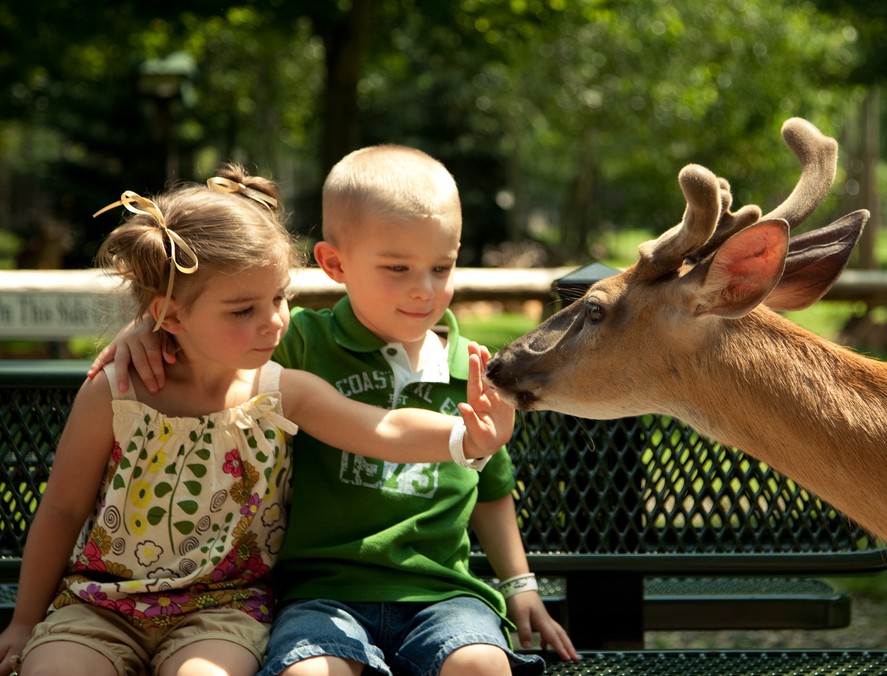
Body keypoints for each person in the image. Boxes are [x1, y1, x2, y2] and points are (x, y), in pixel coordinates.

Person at [0, 165, 512, 676]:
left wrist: (462, 437)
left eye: (279, 297)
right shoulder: (116, 391)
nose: (273, 321)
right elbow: (63, 510)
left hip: (223, 610)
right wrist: (25, 622)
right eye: (243, 309)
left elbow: (380, 428)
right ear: (171, 317)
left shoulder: (280, 388)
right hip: (99, 606)